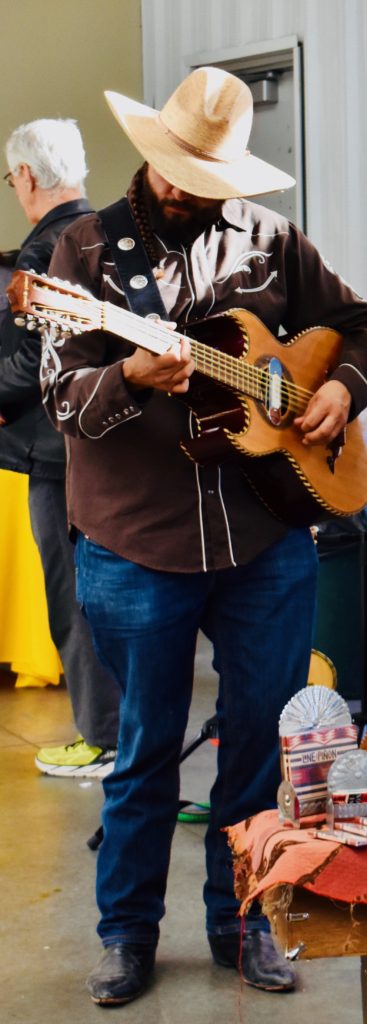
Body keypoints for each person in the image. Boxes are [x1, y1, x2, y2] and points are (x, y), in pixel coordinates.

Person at [42, 67, 367, 1006]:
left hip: (266, 538)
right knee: (146, 749)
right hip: (133, 542)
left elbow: (366, 329)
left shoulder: (274, 241)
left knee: (258, 749)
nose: (188, 188)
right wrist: (131, 382)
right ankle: (126, 936)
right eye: (178, 169)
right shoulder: (83, 257)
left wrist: (334, 389)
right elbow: (61, 400)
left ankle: (246, 926)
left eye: (210, 175)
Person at [0, 118, 120, 776]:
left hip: (54, 455)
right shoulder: (110, 235)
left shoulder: (42, 249)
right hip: (110, 447)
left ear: (26, 177)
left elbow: (31, 361)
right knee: (115, 591)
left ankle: (101, 739)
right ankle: (124, 730)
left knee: (70, 595)